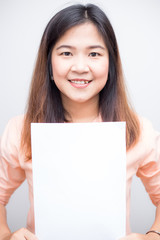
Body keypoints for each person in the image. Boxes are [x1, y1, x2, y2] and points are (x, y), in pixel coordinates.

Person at [0, 3, 160, 240]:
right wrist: (6, 235)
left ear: (111, 63)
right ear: (49, 64)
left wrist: (152, 235)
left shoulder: (138, 130)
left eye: (94, 54)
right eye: (66, 53)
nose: (80, 67)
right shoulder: (20, 130)